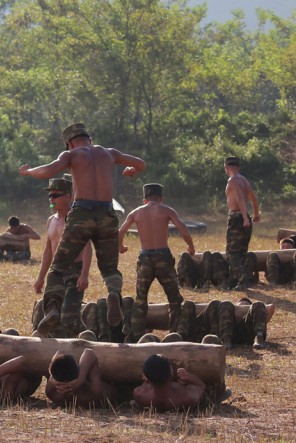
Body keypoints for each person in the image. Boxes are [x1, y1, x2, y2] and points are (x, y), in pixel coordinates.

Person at [19, 122, 146, 334]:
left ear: (69, 143)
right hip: (107, 212)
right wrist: (132, 170)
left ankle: (52, 309)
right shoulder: (109, 153)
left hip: (81, 213)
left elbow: (49, 170)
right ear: (90, 139)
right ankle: (113, 293)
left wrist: (29, 171)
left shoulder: (71, 155)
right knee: (109, 268)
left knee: (58, 268)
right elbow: (141, 163)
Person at [118, 183, 195, 343]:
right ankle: (175, 334)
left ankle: (137, 337)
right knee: (174, 298)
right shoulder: (166, 210)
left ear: (144, 200)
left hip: (145, 257)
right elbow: (183, 229)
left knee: (140, 300)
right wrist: (191, 247)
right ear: (161, 199)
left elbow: (120, 232)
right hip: (163, 257)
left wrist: (121, 247)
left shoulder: (136, 212)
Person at [33, 177, 92, 338]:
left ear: (68, 196)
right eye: (49, 196)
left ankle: (86, 335)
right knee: (51, 307)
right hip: (56, 270)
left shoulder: (77, 219)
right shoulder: (51, 220)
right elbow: (48, 250)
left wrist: (84, 274)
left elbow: (87, 247)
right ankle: (53, 325)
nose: (51, 199)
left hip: (75, 269)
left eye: (55, 195)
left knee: (69, 316)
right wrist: (40, 278)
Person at [223, 156, 261, 289]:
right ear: (238, 167)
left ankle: (242, 279)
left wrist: (244, 217)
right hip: (245, 218)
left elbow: (240, 198)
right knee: (241, 252)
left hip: (237, 218)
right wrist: (255, 214)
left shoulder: (232, 181)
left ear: (226, 168)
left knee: (232, 253)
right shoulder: (244, 180)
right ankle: (235, 281)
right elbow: (253, 198)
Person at [44, 349, 116, 408]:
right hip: (116, 387)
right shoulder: (92, 394)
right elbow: (89, 353)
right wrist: (80, 379)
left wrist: (52, 379)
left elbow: (60, 352)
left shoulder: (51, 393)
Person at [132, 354, 206, 412]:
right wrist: (189, 377)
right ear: (171, 374)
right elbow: (201, 386)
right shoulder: (185, 398)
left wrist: (146, 381)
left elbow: (147, 384)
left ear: (148, 378)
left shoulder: (139, 394)